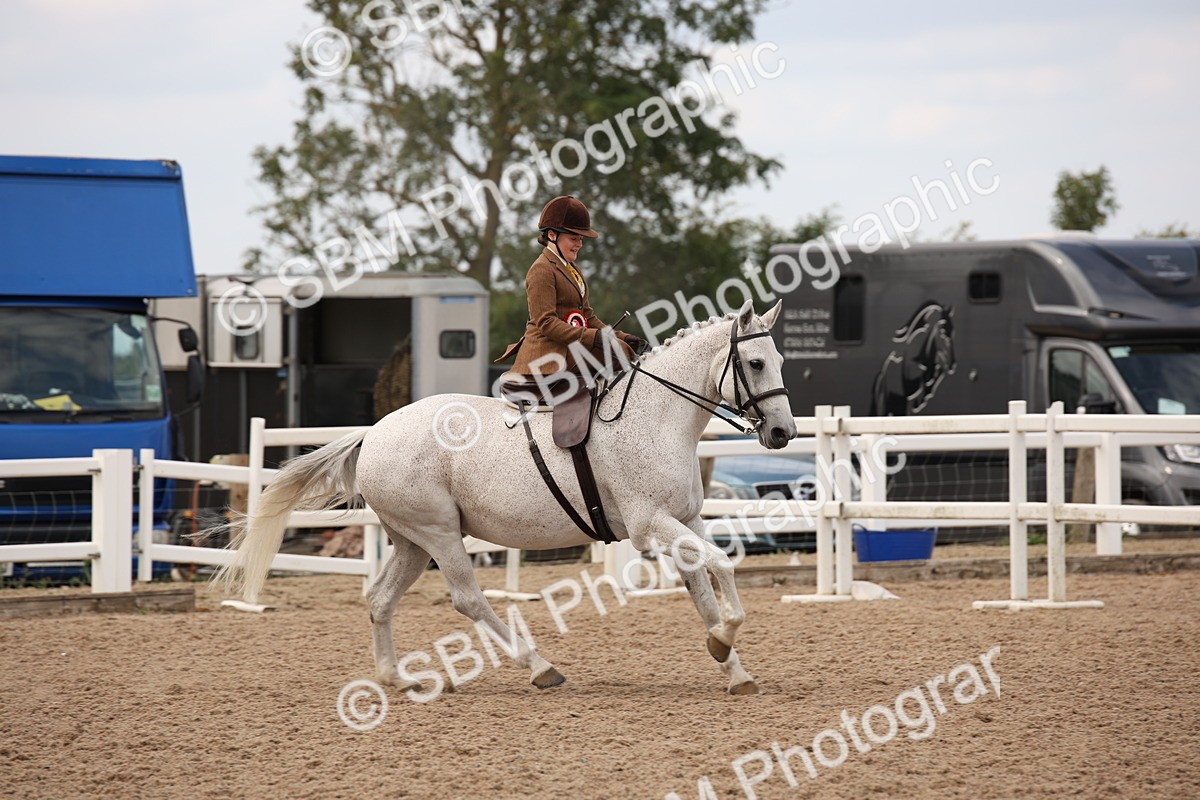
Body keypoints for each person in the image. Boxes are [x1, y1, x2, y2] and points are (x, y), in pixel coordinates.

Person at [496, 195, 645, 378]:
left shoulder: (572, 269)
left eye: (581, 239)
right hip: (548, 355)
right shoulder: (541, 270)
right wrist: (594, 337)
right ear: (552, 235)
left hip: (570, 349)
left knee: (622, 347)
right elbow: (546, 323)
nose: (579, 245)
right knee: (617, 352)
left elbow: (587, 316)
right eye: (574, 238)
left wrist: (622, 337)